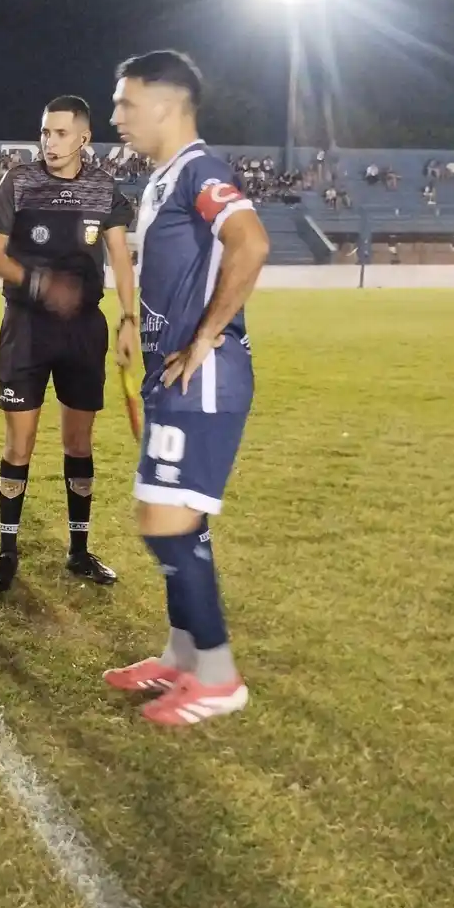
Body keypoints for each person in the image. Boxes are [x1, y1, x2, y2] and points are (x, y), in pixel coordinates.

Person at [101, 51, 270, 727]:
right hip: (169, 375)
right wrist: (134, 322)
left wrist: (204, 338)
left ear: (168, 106)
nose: (116, 117)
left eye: (126, 103)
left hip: (203, 380)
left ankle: (219, 675)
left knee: (166, 523)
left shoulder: (200, 171)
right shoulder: (161, 179)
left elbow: (250, 244)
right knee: (168, 516)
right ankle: (181, 655)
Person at [0, 95, 138, 592]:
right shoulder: (19, 182)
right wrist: (44, 286)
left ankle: (79, 550)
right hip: (26, 327)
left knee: (78, 442)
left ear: (84, 138)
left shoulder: (103, 188)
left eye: (61, 133)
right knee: (19, 443)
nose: (50, 142)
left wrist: (129, 318)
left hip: (82, 330)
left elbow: (121, 259)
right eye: (45, 132)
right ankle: (6, 552)